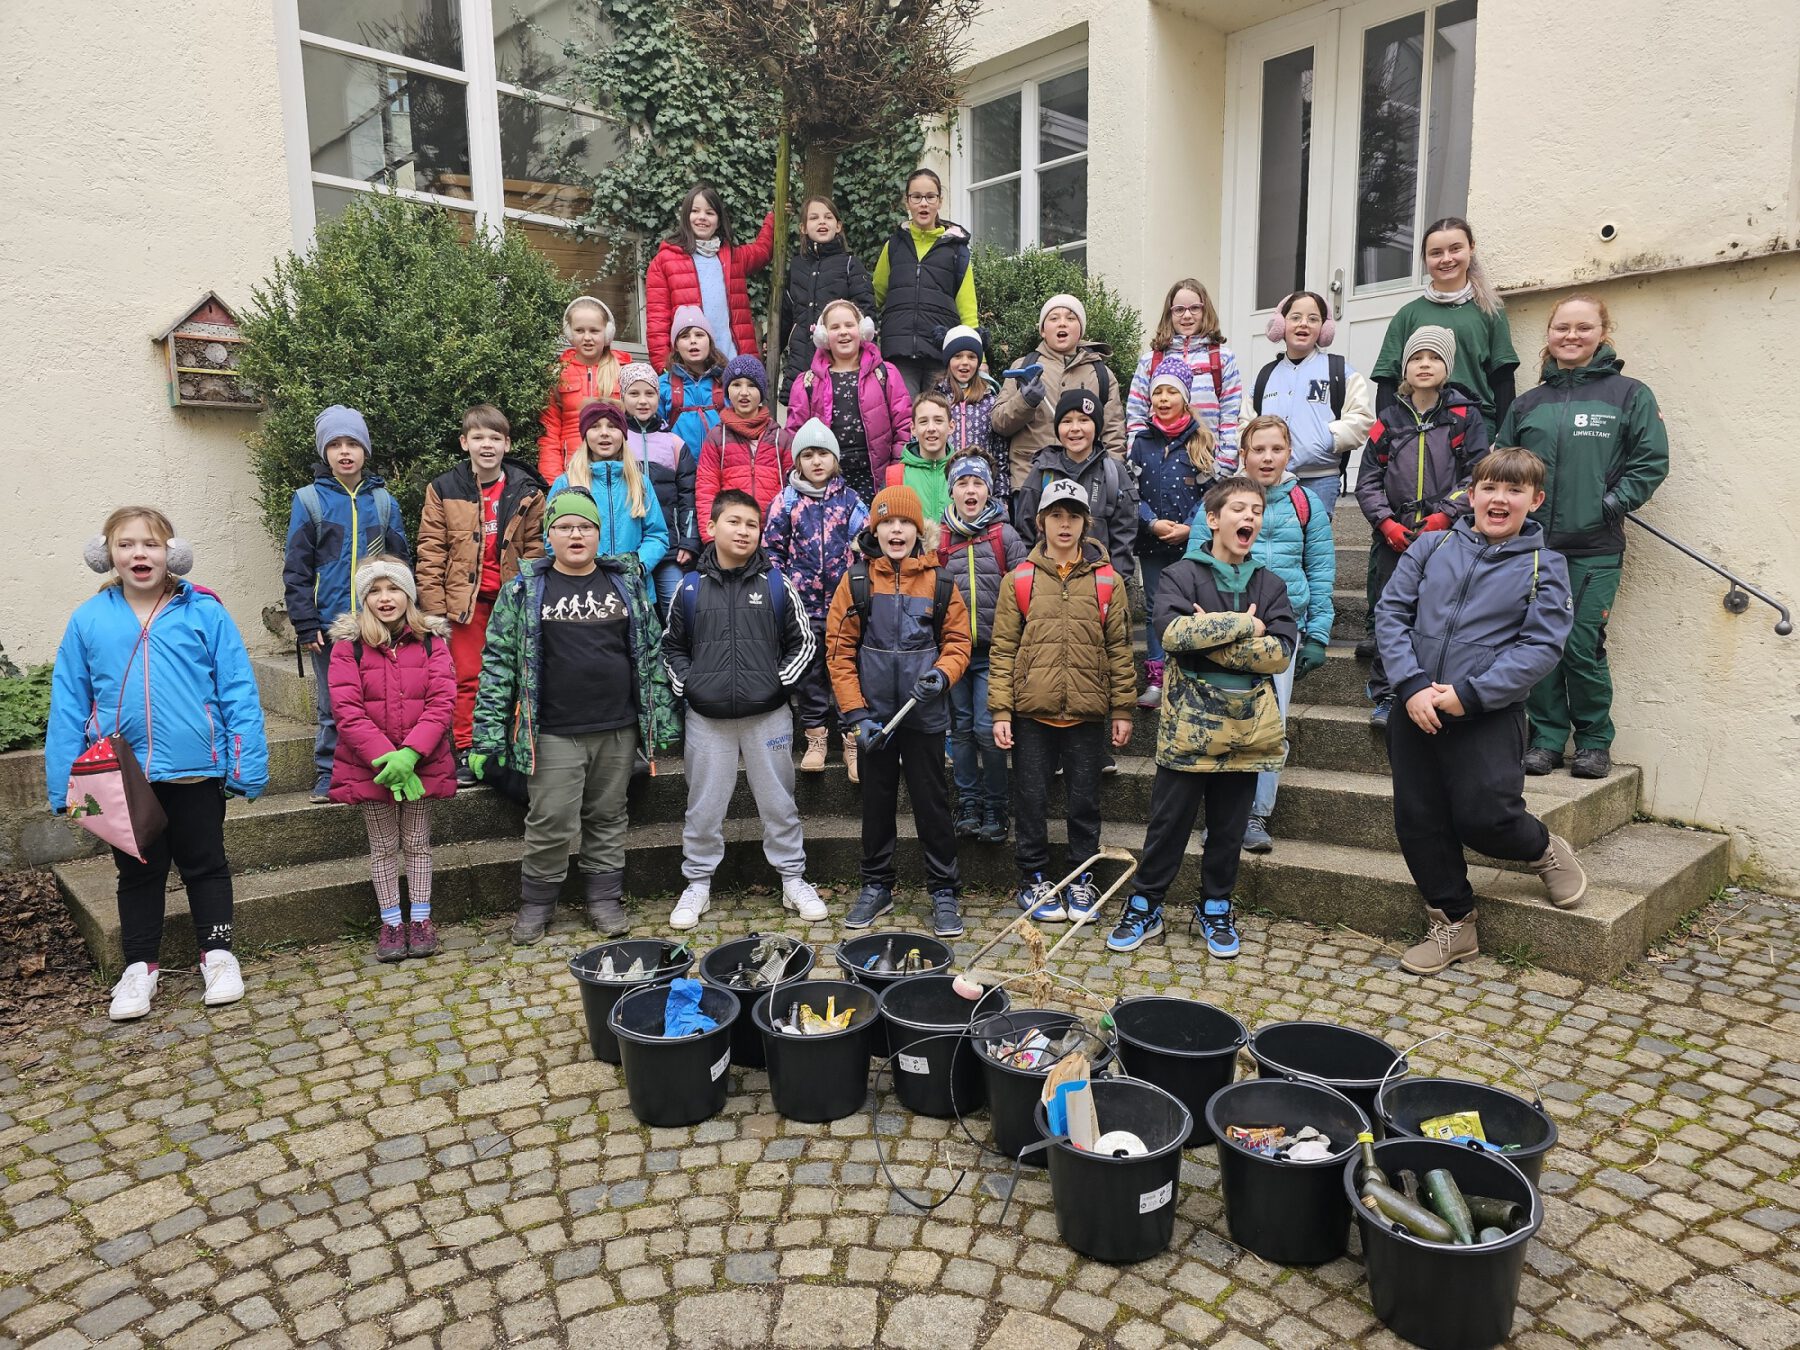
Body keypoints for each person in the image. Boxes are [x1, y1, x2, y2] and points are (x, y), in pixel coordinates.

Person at [47, 507, 268, 1020]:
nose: (138, 553)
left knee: (206, 864)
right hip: (121, 775)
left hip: (195, 767)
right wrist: (65, 786)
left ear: (173, 552)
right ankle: (139, 967)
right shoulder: (89, 619)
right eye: (125, 544)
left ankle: (218, 954)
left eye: (150, 543)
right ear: (106, 554)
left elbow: (237, 689)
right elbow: (69, 703)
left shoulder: (204, 612)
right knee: (137, 873)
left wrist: (246, 763)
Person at [1374, 447, 1588, 975]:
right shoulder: (1431, 545)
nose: (1500, 498)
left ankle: (1541, 848)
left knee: (1485, 815)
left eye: (1514, 490)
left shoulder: (1546, 565)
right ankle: (1454, 922)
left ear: (1534, 500)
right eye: (1490, 487)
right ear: (1471, 495)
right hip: (1415, 704)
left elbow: (1540, 648)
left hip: (1487, 712)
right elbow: (1391, 611)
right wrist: (1413, 684)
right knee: (1419, 820)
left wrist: (1468, 694)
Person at [470, 490, 679, 944]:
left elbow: (650, 654)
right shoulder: (524, 591)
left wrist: (660, 723)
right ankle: (537, 904)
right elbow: (499, 664)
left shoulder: (624, 583)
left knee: (608, 816)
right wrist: (485, 736)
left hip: (617, 727)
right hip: (553, 732)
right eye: (565, 527)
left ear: (598, 534)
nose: (576, 535)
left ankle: (604, 899)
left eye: (585, 527)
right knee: (550, 820)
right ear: (550, 536)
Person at [1108, 478, 1296, 958]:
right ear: (1213, 519)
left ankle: (1215, 906)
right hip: (1187, 728)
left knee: (1230, 827)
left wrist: (1209, 637)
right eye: (1239, 508)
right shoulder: (1180, 575)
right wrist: (1244, 625)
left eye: (1256, 509)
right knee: (1168, 824)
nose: (1249, 517)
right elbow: (1173, 635)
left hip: (1247, 732)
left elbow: (1280, 651)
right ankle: (1146, 903)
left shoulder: (1269, 584)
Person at [1498, 294, 1670, 780]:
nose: (1571, 336)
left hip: (1594, 549)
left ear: (1602, 334)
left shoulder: (1629, 395)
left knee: (1580, 644)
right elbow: (1503, 466)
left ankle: (1594, 740)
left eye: (1583, 328)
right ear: (1549, 335)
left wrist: (1609, 506)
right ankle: (1547, 739)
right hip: (1530, 548)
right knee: (1538, 644)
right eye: (1562, 328)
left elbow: (1651, 462)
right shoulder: (1528, 404)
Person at [664, 488, 826, 928]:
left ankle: (793, 878)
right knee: (704, 805)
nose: (743, 530)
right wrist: (691, 686)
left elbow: (804, 642)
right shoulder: (690, 588)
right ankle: (697, 884)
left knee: (778, 802)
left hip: (768, 717)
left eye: (752, 524)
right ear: (712, 527)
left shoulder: (776, 584)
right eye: (734, 521)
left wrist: (775, 686)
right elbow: (672, 646)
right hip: (707, 720)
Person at [825, 485, 972, 936]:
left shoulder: (941, 581)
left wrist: (943, 675)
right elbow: (839, 652)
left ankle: (943, 890)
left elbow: (959, 642)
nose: (895, 529)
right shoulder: (854, 582)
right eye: (887, 522)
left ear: (917, 530)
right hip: (874, 719)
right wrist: (856, 716)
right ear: (875, 529)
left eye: (904, 522)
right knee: (876, 804)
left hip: (924, 716)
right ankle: (876, 886)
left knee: (932, 803)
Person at [989, 480, 1134, 923]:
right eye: (1056, 515)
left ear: (1085, 522)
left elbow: (1120, 650)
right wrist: (1001, 710)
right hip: (1033, 713)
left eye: (1073, 516)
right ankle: (1033, 877)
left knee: (1084, 802)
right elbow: (1003, 649)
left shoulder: (1108, 581)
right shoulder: (1020, 580)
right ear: (1041, 523)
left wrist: (1123, 709)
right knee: (1031, 801)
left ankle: (1081, 877)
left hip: (1087, 715)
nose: (1065, 524)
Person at [1199, 415, 1337, 853]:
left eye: (1276, 448)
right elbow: (1194, 560)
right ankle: (1221, 815)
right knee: (1222, 718)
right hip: (1225, 626)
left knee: (1269, 723)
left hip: (1282, 627)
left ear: (1288, 452)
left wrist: (1317, 631)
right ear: (1244, 454)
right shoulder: (1221, 499)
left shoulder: (1306, 504)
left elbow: (1320, 569)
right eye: (1257, 449)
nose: (1267, 457)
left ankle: (1256, 814)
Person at [1356, 327, 1490, 728]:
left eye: (1433, 358)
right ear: (1405, 367)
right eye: (1417, 358)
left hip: (1446, 537)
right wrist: (1386, 522)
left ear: (1446, 367)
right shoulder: (1388, 419)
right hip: (1395, 539)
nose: (1424, 365)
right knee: (1390, 611)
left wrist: (1446, 514)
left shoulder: (1464, 416)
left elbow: (1477, 474)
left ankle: (1433, 687)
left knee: (1435, 613)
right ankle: (1388, 692)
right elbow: (1367, 480)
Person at [326, 561, 457, 962]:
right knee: (383, 846)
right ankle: (391, 921)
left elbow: (442, 701)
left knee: (417, 842)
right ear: (364, 599)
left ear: (408, 595)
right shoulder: (347, 647)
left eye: (393, 589)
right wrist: (387, 759)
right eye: (375, 591)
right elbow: (347, 709)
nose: (385, 598)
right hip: (371, 767)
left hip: (421, 763)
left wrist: (411, 754)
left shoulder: (432, 642)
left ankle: (420, 918)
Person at [283, 405, 410, 803]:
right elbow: (297, 568)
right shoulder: (309, 502)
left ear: (365, 450)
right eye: (335, 444)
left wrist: (404, 614)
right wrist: (306, 623)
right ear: (324, 452)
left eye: (352, 443)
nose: (344, 452)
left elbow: (402, 563)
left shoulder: (384, 502)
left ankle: (380, 767)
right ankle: (328, 772)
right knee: (333, 702)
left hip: (379, 620)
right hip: (330, 622)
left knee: (381, 698)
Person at [417, 404, 547, 784]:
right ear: (464, 442)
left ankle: (507, 746)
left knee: (515, 676)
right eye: (478, 437)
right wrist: (435, 610)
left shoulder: (527, 489)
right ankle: (468, 750)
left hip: (512, 602)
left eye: (494, 438)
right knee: (468, 677)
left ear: (507, 444)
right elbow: (430, 551)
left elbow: (537, 548)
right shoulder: (443, 488)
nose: (486, 445)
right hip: (464, 607)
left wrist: (532, 598)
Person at [762, 419, 869, 778]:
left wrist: (858, 584)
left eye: (823, 453)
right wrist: (784, 588)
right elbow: (772, 550)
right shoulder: (786, 500)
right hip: (804, 607)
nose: (816, 461)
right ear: (798, 461)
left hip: (845, 605)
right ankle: (816, 737)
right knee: (809, 673)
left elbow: (867, 547)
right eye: (807, 455)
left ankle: (851, 740)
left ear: (835, 459)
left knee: (845, 669)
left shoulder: (851, 500)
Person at [938, 453, 1026, 843]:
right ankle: (968, 802)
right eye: (962, 483)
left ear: (989, 489)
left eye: (977, 483)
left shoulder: (1004, 535)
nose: (970, 490)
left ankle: (995, 804)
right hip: (953, 652)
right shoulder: (940, 538)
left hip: (994, 652)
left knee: (988, 730)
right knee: (959, 730)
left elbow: (1026, 589)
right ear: (952, 490)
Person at [1372, 217, 1517, 435]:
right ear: (1425, 258)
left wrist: (1502, 438)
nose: (1446, 259)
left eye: (1455, 249)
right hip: (1417, 429)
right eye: (1436, 253)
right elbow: (1386, 380)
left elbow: (1503, 378)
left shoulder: (1490, 311)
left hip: (1476, 430)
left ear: (1471, 248)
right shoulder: (1408, 315)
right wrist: (1390, 436)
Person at [1128, 356, 1216, 708]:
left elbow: (1211, 492)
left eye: (1171, 392)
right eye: (1158, 393)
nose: (1163, 399)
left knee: (1193, 605)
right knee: (1154, 609)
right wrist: (1150, 522)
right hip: (1152, 542)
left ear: (1185, 398)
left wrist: (1189, 528)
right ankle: (1156, 676)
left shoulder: (1201, 440)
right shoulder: (1141, 442)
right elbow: (1131, 491)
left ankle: (1190, 672)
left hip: (1191, 542)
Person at [1246, 290, 1375, 517]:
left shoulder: (1339, 371)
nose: (1303, 324)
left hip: (1320, 479)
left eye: (1313, 319)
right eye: (1295, 317)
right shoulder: (1266, 376)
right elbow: (1246, 423)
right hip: (1270, 480)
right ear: (1280, 324)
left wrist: (1325, 438)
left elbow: (1361, 418)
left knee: (1314, 543)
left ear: (1324, 329)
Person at [785, 298, 912, 505]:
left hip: (875, 479)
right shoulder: (807, 382)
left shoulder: (885, 374)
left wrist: (895, 470)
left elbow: (904, 425)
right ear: (824, 335)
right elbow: (794, 434)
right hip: (826, 480)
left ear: (862, 330)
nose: (843, 332)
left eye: (849, 325)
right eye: (835, 327)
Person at [992, 294, 1126, 488]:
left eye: (1071, 318)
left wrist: (1112, 478)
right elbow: (999, 422)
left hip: (1086, 482)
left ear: (1081, 329)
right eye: (1054, 318)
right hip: (1030, 480)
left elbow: (1113, 433)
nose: (1062, 323)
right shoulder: (1022, 367)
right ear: (1042, 331)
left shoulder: (1101, 374)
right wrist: (1025, 401)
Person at [644, 182, 774, 371]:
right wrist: (663, 366)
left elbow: (762, 250)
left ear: (719, 221)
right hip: (689, 368)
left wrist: (774, 216)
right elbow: (658, 321)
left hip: (733, 363)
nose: (702, 218)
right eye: (695, 211)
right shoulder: (664, 261)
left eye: (710, 213)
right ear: (686, 216)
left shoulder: (732, 257)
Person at [1012, 388, 1138, 581]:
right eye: (1066, 421)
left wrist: (1117, 583)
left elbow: (1124, 533)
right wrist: (1027, 580)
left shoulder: (1114, 473)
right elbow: (1025, 532)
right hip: (1047, 584)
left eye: (1084, 420)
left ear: (1096, 426)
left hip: (1097, 584)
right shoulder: (1042, 471)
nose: (1075, 428)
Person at [872, 167, 977, 395]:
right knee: (903, 422)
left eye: (930, 197)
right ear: (907, 202)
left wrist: (980, 356)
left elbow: (968, 309)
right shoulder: (894, 246)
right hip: (899, 354)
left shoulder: (957, 251)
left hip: (940, 355)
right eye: (916, 197)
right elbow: (875, 297)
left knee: (936, 422)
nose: (923, 203)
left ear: (939, 201)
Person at [1126, 279, 1244, 473]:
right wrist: (1138, 462)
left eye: (1195, 308)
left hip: (1208, 463)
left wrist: (1224, 466)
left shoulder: (1222, 358)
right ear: (1169, 313)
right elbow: (1136, 416)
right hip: (1158, 464)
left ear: (1205, 311)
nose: (1187, 315)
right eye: (1179, 309)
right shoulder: (1150, 361)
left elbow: (1230, 417)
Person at [547, 400, 671, 577]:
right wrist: (586, 566)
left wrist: (638, 566)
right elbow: (550, 537)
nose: (604, 433)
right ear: (585, 434)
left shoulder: (640, 483)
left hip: (633, 588)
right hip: (583, 585)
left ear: (623, 434)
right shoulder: (566, 484)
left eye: (612, 426)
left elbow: (657, 534)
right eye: (595, 426)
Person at [619, 361, 698, 615]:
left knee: (677, 609)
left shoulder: (673, 443)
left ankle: (674, 656)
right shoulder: (616, 441)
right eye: (634, 393)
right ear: (622, 397)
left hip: (668, 550)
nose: (643, 401)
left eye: (649, 393)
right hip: (626, 548)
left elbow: (688, 496)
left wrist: (687, 541)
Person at [779, 194, 875, 396]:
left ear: (838, 226)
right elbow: (788, 312)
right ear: (803, 228)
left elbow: (865, 310)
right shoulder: (797, 265)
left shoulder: (850, 265)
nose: (822, 221)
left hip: (839, 362)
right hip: (801, 360)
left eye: (828, 217)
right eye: (814, 218)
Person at [538, 296, 634, 482]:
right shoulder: (558, 373)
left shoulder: (623, 371)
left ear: (607, 334)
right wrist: (552, 480)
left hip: (616, 472)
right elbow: (549, 432)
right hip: (572, 470)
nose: (587, 337)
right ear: (569, 333)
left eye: (594, 331)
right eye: (579, 330)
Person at [697, 355, 793, 539]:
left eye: (751, 385)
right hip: (731, 536)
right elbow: (706, 490)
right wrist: (710, 537)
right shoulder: (717, 437)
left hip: (774, 536)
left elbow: (792, 489)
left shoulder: (781, 438)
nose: (744, 392)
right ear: (726, 391)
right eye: (736, 384)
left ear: (762, 391)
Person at [933, 324, 1008, 510]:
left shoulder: (990, 400)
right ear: (947, 360)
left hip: (981, 491)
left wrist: (1002, 495)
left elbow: (1001, 452)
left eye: (972, 357)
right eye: (957, 356)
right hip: (945, 490)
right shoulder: (937, 399)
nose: (965, 362)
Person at [659, 307, 729, 464]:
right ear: (676, 345)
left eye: (699, 335)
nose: (693, 341)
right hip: (679, 472)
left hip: (721, 468)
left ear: (709, 342)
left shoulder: (726, 381)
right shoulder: (663, 385)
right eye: (684, 336)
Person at [885, 390, 955, 523]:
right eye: (923, 422)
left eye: (938, 421)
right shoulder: (896, 476)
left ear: (951, 426)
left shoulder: (963, 473)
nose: (931, 428)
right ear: (913, 429)